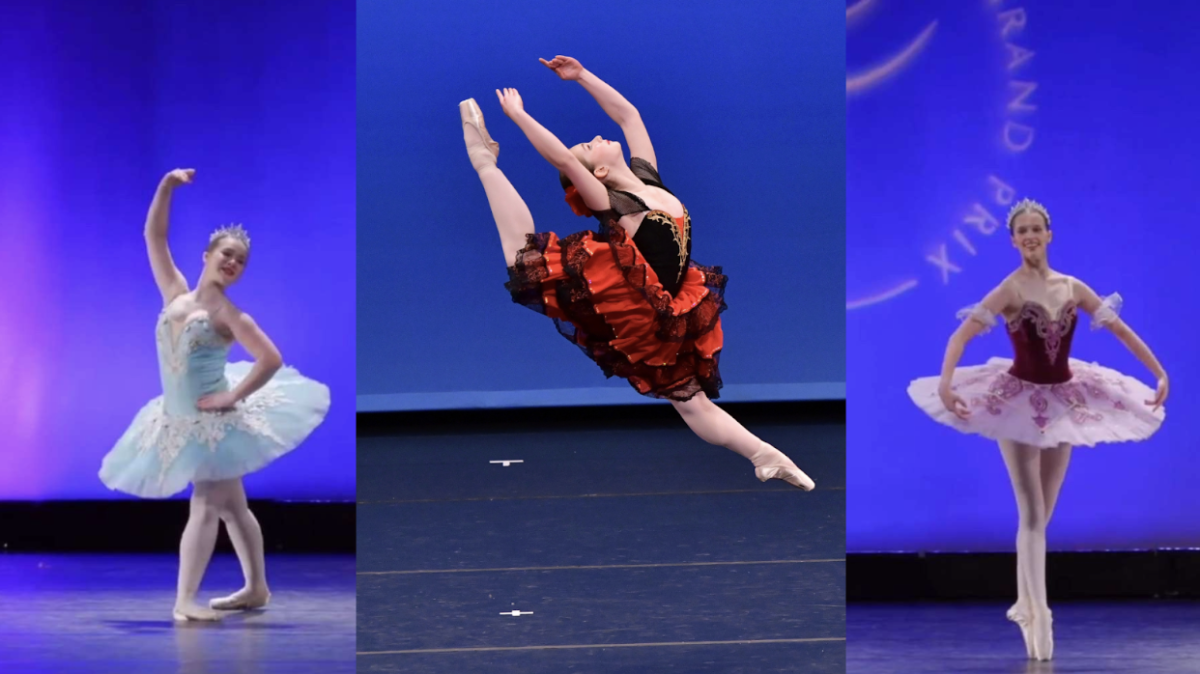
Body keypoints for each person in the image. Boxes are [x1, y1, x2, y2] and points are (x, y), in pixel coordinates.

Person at [459, 55, 813, 491]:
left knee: (692, 403)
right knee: (524, 263)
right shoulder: (617, 206)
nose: (593, 138)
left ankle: (765, 456)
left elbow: (628, 114)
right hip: (638, 306)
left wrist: (582, 76)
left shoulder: (648, 179)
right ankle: (485, 162)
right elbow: (565, 163)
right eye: (590, 147)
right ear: (601, 172)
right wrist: (519, 117)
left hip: (673, 301)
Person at [907, 198, 1168, 660]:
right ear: (1013, 241)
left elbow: (1122, 331)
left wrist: (1159, 372)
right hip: (1017, 402)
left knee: (1042, 516)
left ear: (1049, 236)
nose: (1029, 236)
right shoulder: (1009, 289)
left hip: (1065, 399)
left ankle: (1025, 600)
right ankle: (1040, 620)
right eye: (1021, 231)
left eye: (1036, 229)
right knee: (1031, 514)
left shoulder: (1072, 287)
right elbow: (960, 336)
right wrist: (947, 384)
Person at [99, 168, 331, 621]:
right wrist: (166, 187)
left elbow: (270, 359)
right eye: (227, 253)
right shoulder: (176, 294)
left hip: (211, 424)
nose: (233, 263)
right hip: (178, 417)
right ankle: (257, 588)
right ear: (207, 255)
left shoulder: (229, 314)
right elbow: (154, 235)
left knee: (206, 504)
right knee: (233, 507)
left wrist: (232, 398)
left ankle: (185, 599)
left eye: (241, 261)